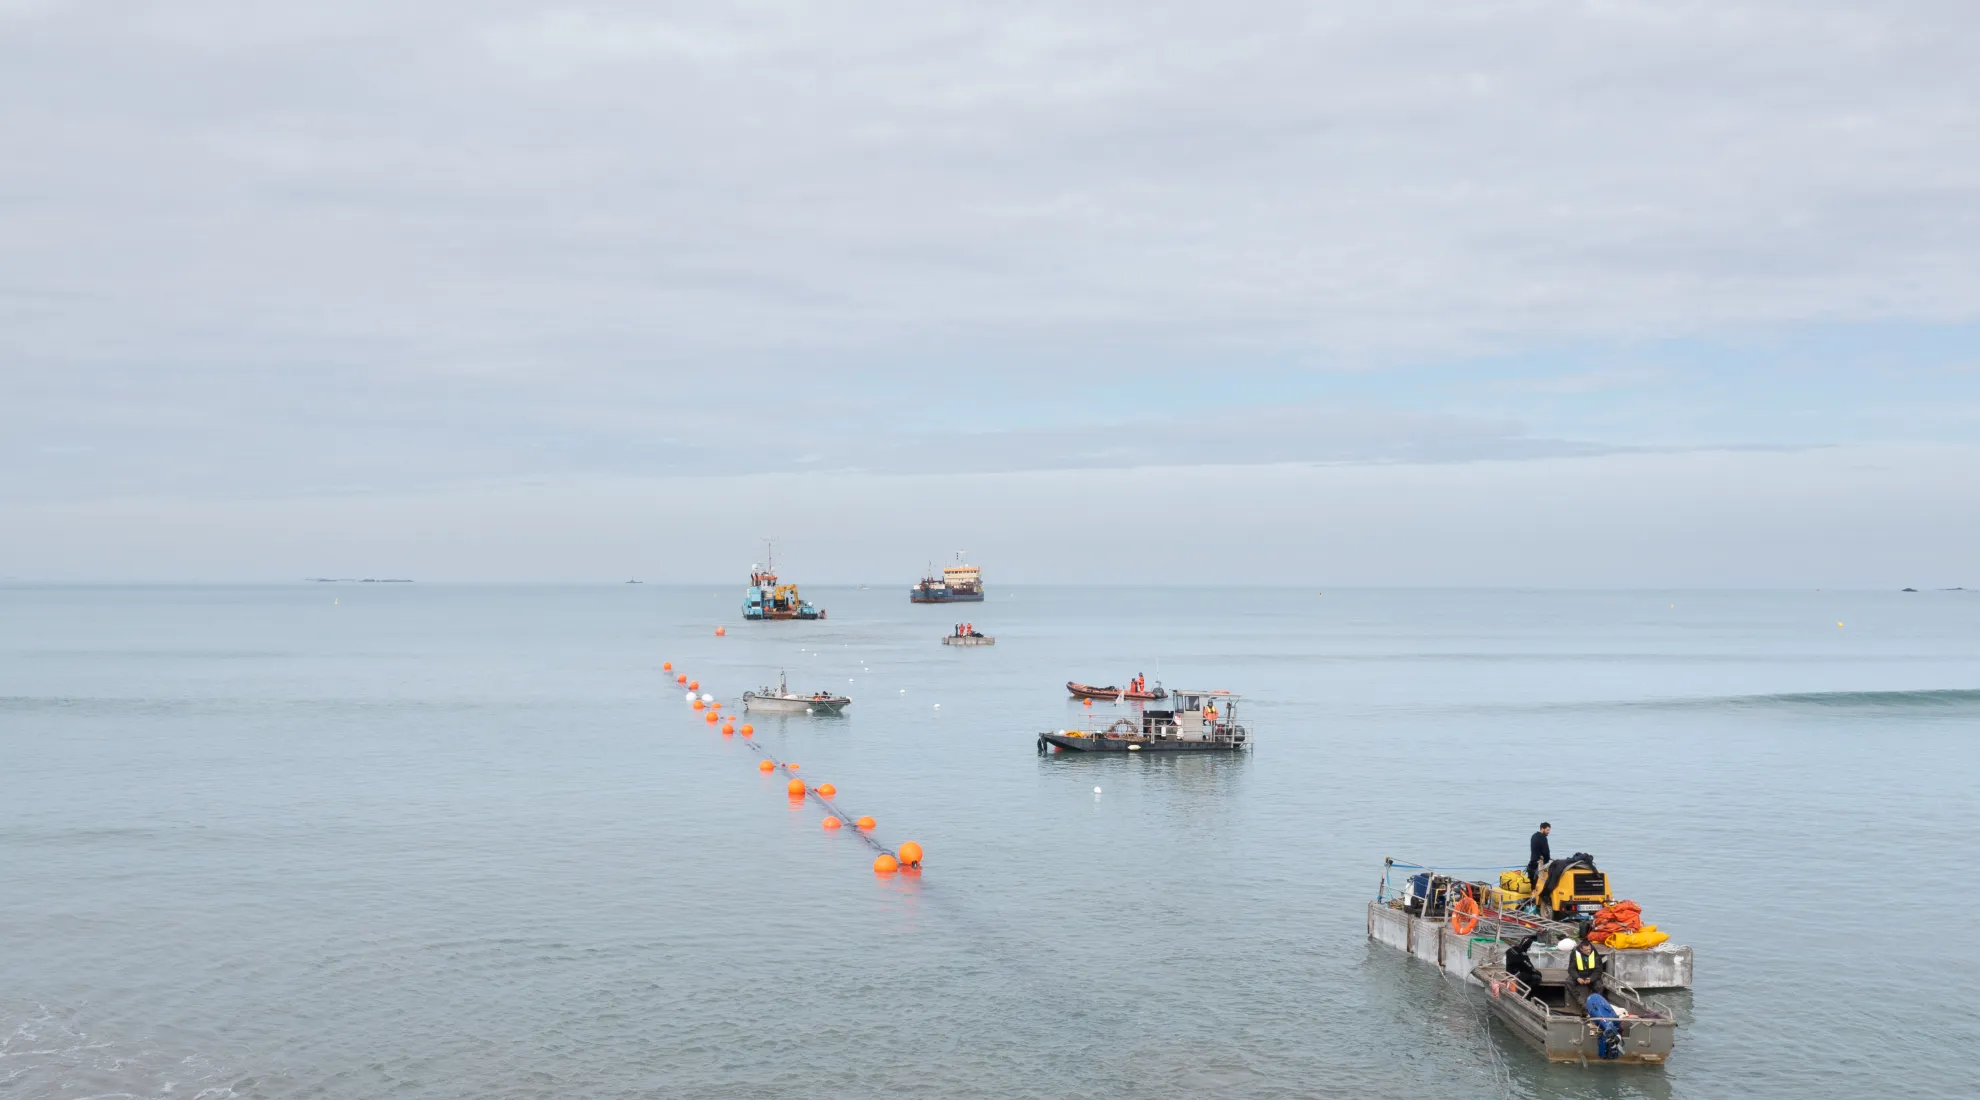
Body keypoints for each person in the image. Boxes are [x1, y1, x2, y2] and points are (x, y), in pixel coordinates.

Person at [1568, 935, 1607, 1013]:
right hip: (1579, 975)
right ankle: (1582, 1003)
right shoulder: (1574, 954)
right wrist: (1577, 978)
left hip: (1591, 975)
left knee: (1599, 986)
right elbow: (1571, 969)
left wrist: (1591, 978)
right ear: (1581, 949)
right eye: (1586, 950)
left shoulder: (1595, 954)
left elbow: (1598, 970)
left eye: (1589, 949)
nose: (1589, 951)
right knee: (1568, 982)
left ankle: (1595, 1004)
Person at [1526, 822, 1552, 887]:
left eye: (1549, 830)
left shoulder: (1533, 836)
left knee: (1531, 884)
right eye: (1547, 830)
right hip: (1539, 865)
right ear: (1542, 829)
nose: (1548, 832)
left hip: (1532, 863)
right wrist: (1547, 861)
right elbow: (1546, 852)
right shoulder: (1543, 838)